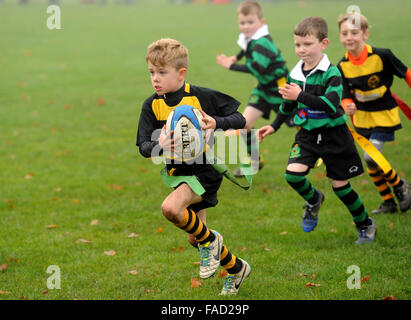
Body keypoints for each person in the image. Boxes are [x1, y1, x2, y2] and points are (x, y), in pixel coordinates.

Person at [137, 38, 251, 295]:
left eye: (162, 72)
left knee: (170, 208)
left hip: (204, 171)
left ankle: (212, 240)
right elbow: (143, 146)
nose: (155, 79)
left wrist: (215, 122)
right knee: (194, 237)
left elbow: (240, 118)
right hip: (178, 175)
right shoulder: (151, 105)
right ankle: (236, 268)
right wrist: (161, 145)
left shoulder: (198, 96)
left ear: (181, 73)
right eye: (152, 73)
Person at [258, 17, 377, 244]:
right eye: (297, 45)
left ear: (323, 43)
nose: (301, 50)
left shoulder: (331, 73)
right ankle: (314, 200)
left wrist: (300, 95)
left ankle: (365, 224)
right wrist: (273, 126)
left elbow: (332, 105)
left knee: (341, 187)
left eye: (307, 44)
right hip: (308, 135)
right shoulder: (295, 75)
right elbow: (288, 105)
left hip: (335, 136)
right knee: (292, 175)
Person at [337, 13, 411, 214]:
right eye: (345, 33)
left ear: (365, 34)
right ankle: (388, 201)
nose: (349, 37)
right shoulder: (342, 66)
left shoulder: (382, 55)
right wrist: (347, 104)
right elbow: (345, 94)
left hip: (384, 114)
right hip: (362, 118)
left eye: (354, 32)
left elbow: (406, 73)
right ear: (340, 37)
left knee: (370, 156)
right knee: (370, 159)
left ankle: (400, 186)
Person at [216, 0, 289, 177]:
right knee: (245, 123)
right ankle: (255, 161)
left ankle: (324, 155)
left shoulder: (262, 43)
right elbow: (245, 47)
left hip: (281, 89)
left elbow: (257, 68)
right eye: (242, 23)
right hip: (263, 88)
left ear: (261, 22)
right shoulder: (252, 38)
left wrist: (230, 66)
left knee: (303, 124)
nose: (246, 26)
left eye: (250, 22)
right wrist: (235, 57)